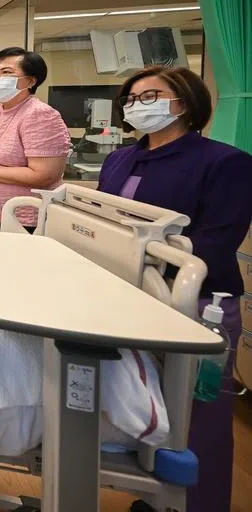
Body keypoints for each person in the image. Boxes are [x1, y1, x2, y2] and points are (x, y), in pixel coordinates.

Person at [96, 66, 252, 512]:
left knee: (199, 417)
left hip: (196, 303)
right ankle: (154, 497)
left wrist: (148, 259)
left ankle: (199, 504)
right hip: (128, 295)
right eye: (131, 98)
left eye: (150, 96)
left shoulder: (224, 163)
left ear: (183, 102)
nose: (136, 105)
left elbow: (215, 244)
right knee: (144, 400)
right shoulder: (120, 160)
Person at [0, 48, 71, 231]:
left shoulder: (40, 114)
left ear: (31, 81)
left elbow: (44, 175)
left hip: (24, 218)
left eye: (6, 72)